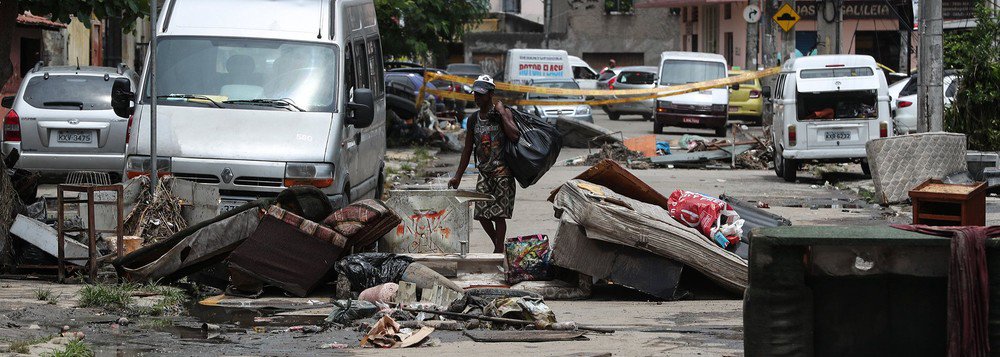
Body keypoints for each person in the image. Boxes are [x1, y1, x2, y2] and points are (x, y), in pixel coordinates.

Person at [448, 75, 520, 253]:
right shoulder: (473, 120)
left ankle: (497, 251)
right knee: (481, 214)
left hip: (503, 172)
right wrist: (458, 175)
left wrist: (502, 114)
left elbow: (514, 135)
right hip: (485, 173)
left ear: (491, 94)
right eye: (475, 94)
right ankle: (499, 246)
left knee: (498, 215)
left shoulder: (502, 114)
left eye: (481, 94)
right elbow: (467, 149)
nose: (477, 98)